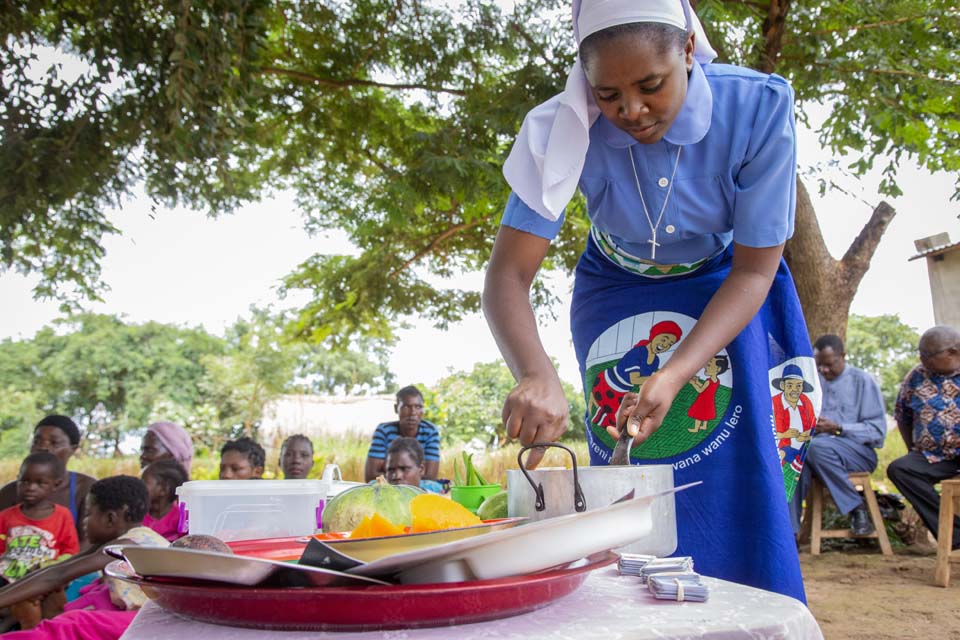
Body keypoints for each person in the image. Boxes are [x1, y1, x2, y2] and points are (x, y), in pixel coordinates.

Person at [483, 0, 818, 601]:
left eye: (651, 86)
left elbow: (753, 271)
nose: (631, 112)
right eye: (607, 94)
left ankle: (749, 604)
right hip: (615, 288)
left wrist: (675, 373)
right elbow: (507, 276)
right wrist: (534, 372)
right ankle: (632, 609)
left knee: (737, 451)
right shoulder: (559, 128)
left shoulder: (758, 106)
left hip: (726, 285)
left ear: (688, 50)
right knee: (632, 447)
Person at [0, 475, 169, 639]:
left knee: (72, 624)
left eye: (88, 514)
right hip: (145, 618)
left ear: (110, 518)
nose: (84, 522)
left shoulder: (127, 545)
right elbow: (58, 569)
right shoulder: (134, 538)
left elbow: (57, 576)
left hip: (150, 624)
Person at [789, 334, 886, 537]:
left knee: (814, 449)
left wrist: (838, 428)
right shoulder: (815, 383)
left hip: (858, 453)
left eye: (829, 364)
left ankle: (856, 509)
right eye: (820, 365)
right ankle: (790, 535)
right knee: (795, 460)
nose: (824, 370)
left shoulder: (862, 381)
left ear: (843, 356)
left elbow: (877, 433)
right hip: (818, 451)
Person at [887, 326, 960, 552]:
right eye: (920, 353)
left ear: (953, 352)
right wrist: (913, 450)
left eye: (928, 354)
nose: (922, 359)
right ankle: (954, 533)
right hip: (933, 456)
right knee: (900, 469)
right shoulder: (916, 377)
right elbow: (902, 416)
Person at [0, 417, 95, 546]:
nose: (43, 447)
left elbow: (90, 543)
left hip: (68, 564)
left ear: (73, 449)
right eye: (37, 441)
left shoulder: (86, 488)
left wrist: (55, 566)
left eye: (54, 443)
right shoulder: (10, 491)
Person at [0, 453, 80, 585]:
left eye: (40, 483)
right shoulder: (5, 516)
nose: (31, 488)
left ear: (56, 485)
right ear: (17, 480)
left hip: (44, 578)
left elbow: (70, 551)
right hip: (7, 578)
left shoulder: (62, 516)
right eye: (25, 481)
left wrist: (47, 567)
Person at [364, 386, 441, 482]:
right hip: (391, 487)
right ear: (396, 408)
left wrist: (389, 470)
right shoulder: (384, 431)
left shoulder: (430, 431)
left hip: (414, 486)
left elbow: (430, 476)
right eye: (406, 407)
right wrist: (410, 471)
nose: (413, 413)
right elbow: (371, 476)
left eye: (418, 407)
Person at [141, 460, 189, 542]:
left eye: (144, 482)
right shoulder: (138, 514)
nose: (139, 486)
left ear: (163, 489)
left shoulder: (181, 517)